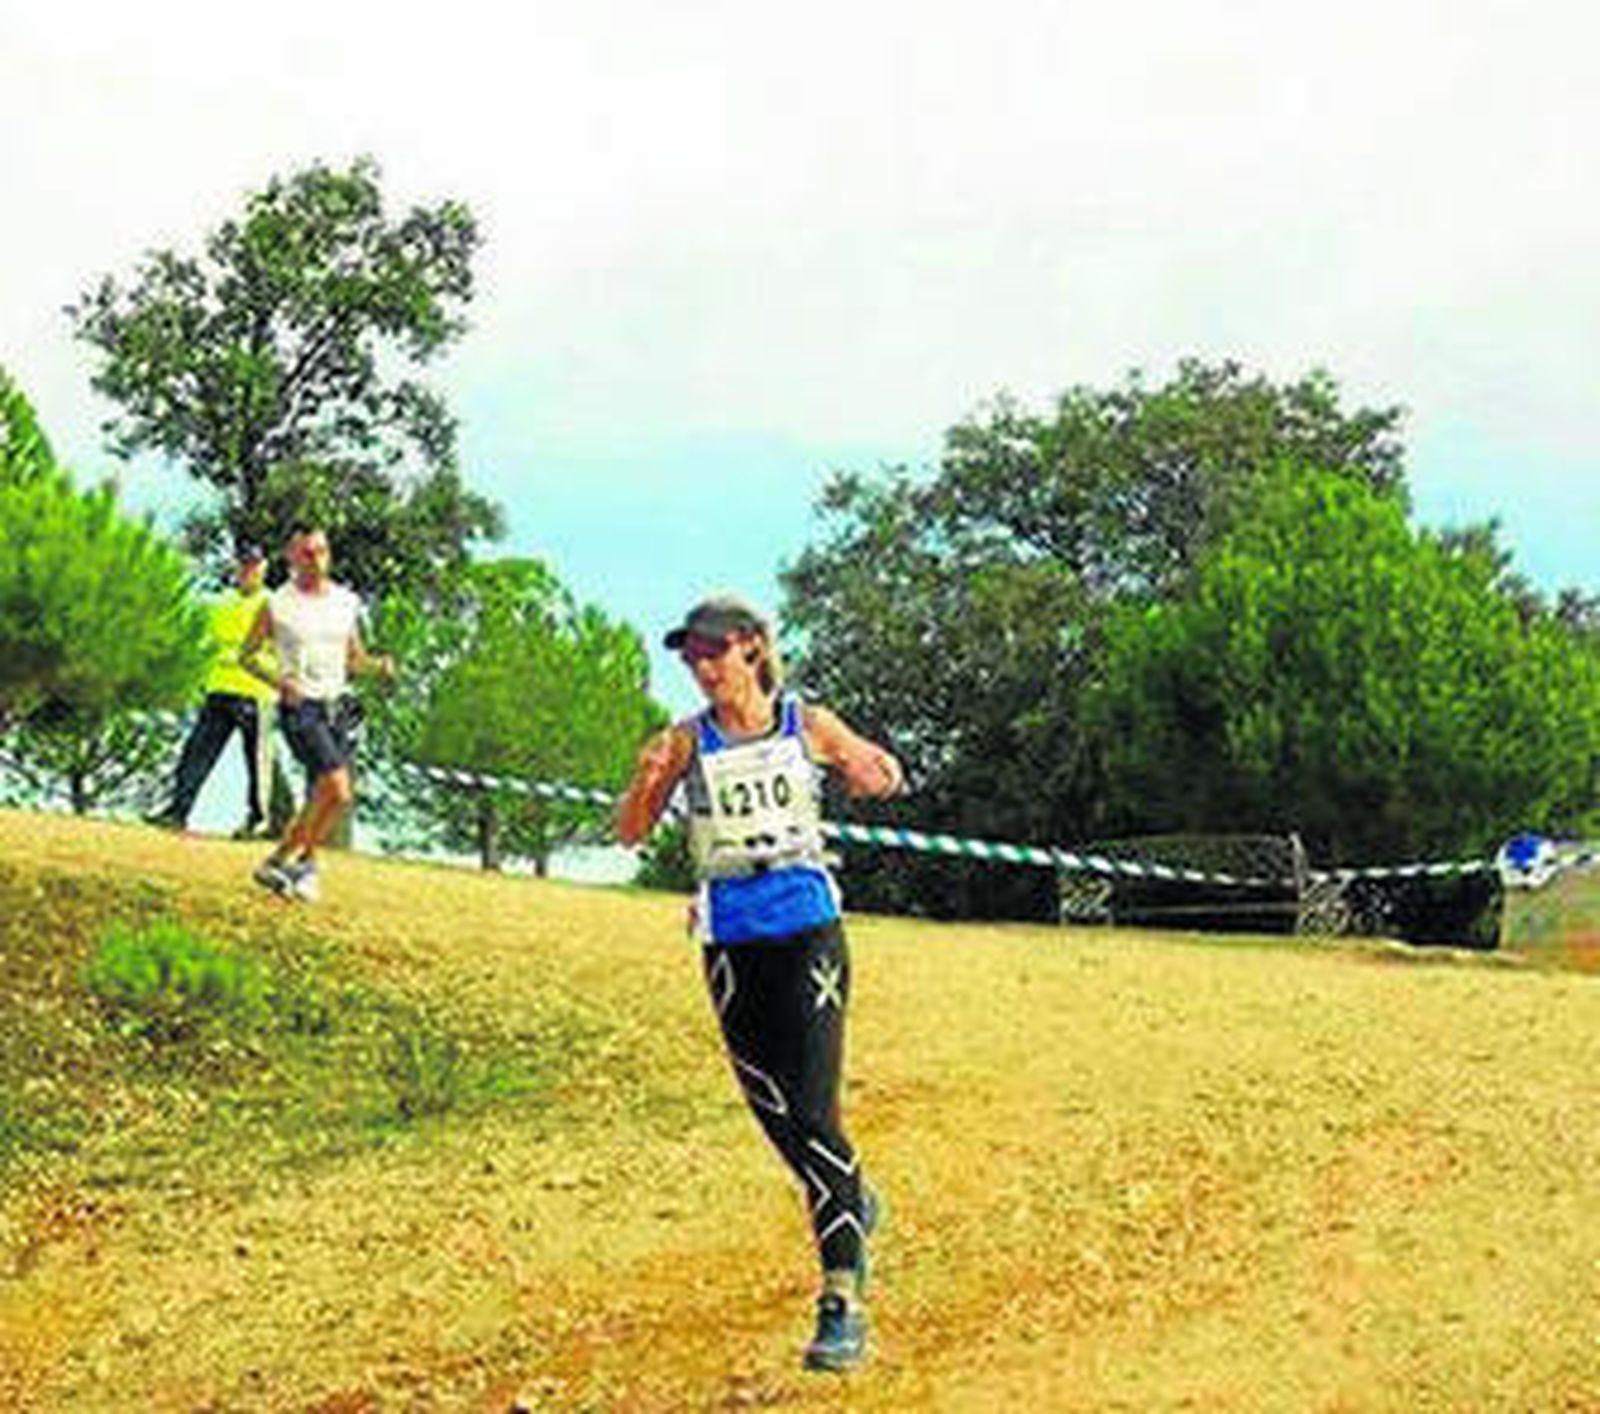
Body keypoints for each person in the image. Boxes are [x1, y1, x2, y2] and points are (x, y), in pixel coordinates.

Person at [615, 594, 905, 1374]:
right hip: (730, 943)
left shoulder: (803, 721)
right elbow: (631, 832)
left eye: (714, 651)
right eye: (691, 657)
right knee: (775, 1115)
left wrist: (873, 770)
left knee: (813, 1111)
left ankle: (841, 1297)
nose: (703, 668)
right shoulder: (681, 741)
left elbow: (875, 770)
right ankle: (849, 1199)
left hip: (807, 929)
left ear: (752, 648)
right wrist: (645, 785)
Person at [239, 527, 395, 903]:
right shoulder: (277, 604)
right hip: (300, 706)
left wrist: (379, 666)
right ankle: (285, 861)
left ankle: (297, 863)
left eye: (322, 552)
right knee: (339, 791)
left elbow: (353, 659)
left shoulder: (346, 602)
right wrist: (280, 683)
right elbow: (247, 656)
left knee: (321, 795)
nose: (317, 560)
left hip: (336, 706)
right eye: (307, 553)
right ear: (291, 557)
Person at [148, 543, 278, 837]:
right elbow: (203, 641)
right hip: (218, 689)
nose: (247, 571)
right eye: (243, 565)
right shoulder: (221, 603)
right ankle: (177, 812)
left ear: (263, 570)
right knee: (196, 753)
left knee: (257, 764)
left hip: (255, 694)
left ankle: (257, 822)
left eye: (254, 566)